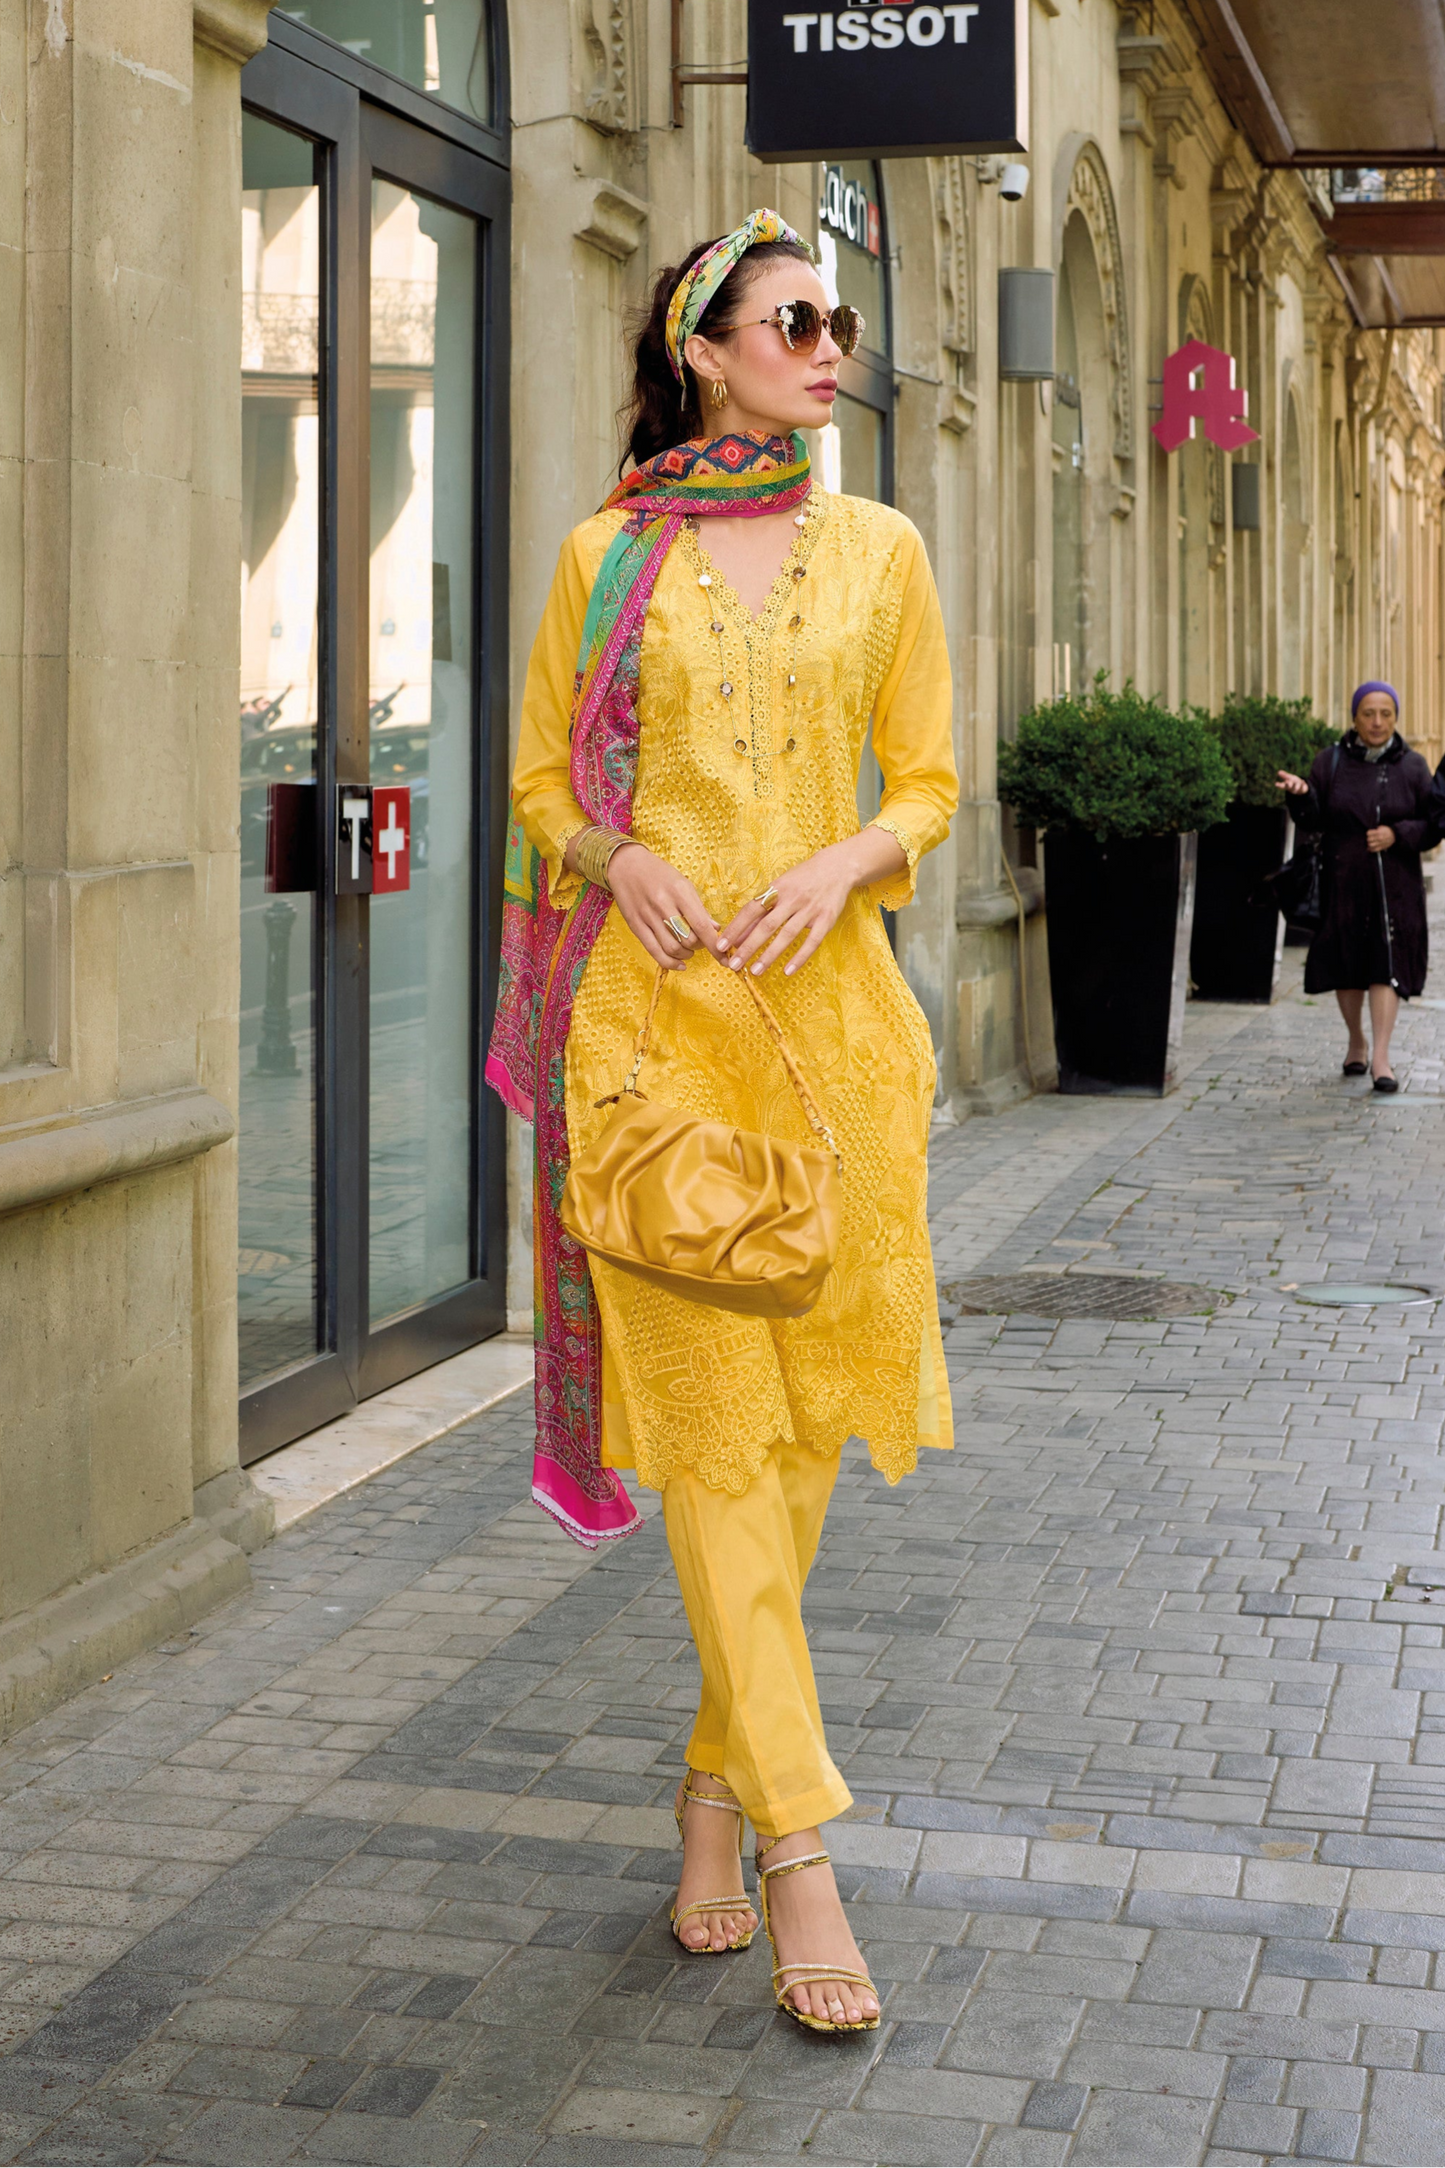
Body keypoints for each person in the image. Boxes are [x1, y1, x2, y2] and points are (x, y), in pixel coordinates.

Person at [486, 210, 958, 2033]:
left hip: (837, 1039)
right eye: (792, 320)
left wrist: (848, 859)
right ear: (705, 347)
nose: (828, 346)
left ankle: (710, 1787)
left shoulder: (886, 548)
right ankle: (804, 1846)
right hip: (659, 1040)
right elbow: (539, 777)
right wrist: (625, 855)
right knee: (709, 1434)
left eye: (835, 320)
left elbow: (925, 775)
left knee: (806, 1431)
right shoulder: (606, 558)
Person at [1277, 681, 1432, 1092]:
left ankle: (1381, 1057)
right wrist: (1300, 794)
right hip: (1343, 880)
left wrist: (1397, 834)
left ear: (1396, 718)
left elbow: (1434, 824)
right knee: (1347, 966)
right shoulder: (1330, 762)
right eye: (1368, 713)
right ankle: (1356, 1040)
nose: (1377, 722)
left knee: (1387, 966)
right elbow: (1313, 817)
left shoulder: (1413, 767)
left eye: (1386, 713)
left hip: (1395, 887)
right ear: (1354, 717)